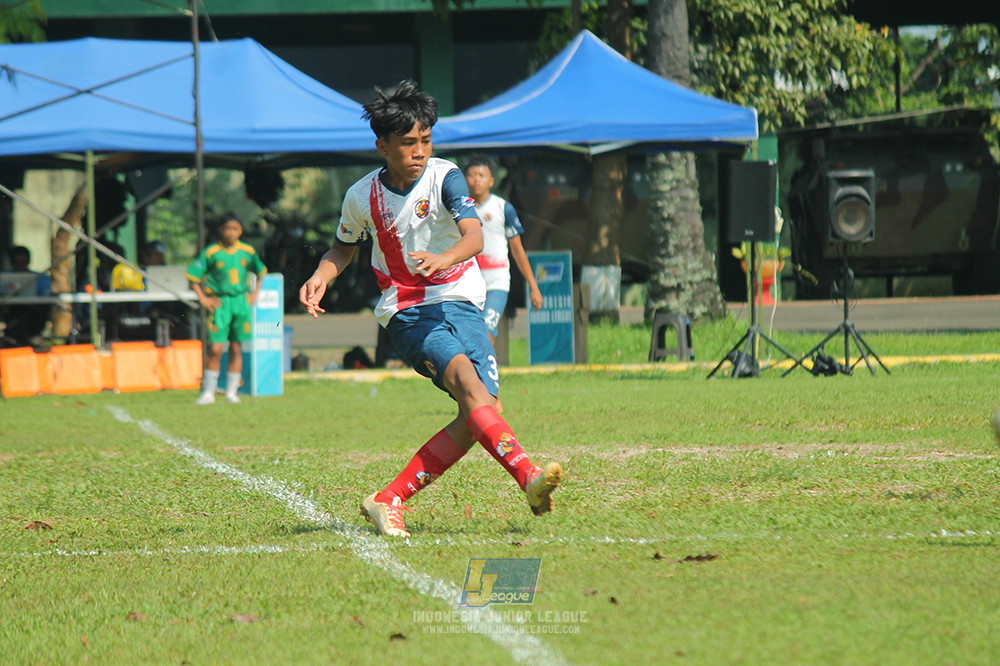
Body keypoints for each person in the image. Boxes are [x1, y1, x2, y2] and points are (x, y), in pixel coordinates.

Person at [299, 80, 563, 538]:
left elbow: (475, 236)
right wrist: (322, 275)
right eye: (407, 143)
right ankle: (528, 476)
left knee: (482, 409)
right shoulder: (362, 197)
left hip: (463, 300)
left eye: (425, 140)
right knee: (468, 385)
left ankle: (388, 499)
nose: (419, 151)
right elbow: (342, 249)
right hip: (408, 310)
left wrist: (445, 258)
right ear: (382, 146)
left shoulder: (447, 177)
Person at [186, 214, 266, 405]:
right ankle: (208, 392)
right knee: (215, 348)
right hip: (220, 303)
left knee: (236, 348)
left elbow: (261, 272)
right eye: (227, 228)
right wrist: (203, 298)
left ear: (240, 231)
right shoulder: (212, 252)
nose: (231, 232)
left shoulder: (247, 251)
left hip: (240, 302)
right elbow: (193, 276)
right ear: (221, 230)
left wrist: (254, 294)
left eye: (235, 228)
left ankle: (231, 392)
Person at [463, 155, 543, 342]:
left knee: (486, 333)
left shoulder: (503, 208)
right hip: (467, 283)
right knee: (468, 337)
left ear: (491, 181)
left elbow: (518, 251)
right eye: (472, 175)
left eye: (482, 175)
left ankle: (484, 370)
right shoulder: (460, 209)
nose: (476, 180)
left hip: (496, 283)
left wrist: (533, 286)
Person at [3, 245, 52, 346]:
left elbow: (46, 297)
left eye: (23, 262)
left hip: (33, 312)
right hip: (10, 310)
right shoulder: (4, 276)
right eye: (17, 263)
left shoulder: (40, 277)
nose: (20, 266)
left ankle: (27, 339)